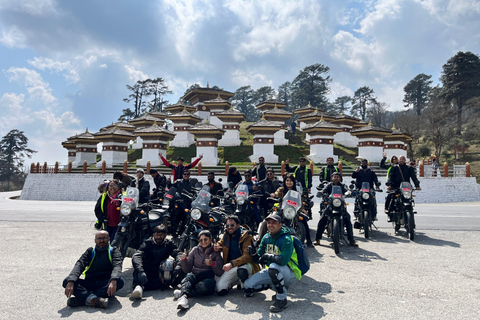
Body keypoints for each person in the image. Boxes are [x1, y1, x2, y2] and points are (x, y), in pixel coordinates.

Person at [244, 212, 301, 313]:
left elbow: (283, 261)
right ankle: (275, 285)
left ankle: (282, 299)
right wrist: (253, 254)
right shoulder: (266, 237)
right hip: (273, 271)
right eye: (269, 222)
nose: (271, 225)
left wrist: (267, 256)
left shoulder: (287, 239)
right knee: (248, 285)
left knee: (274, 266)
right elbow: (258, 259)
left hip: (290, 273)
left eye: (274, 222)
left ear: (280, 224)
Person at [62, 230, 124, 309]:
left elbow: (117, 266)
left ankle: (83, 299)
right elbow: (79, 265)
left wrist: (114, 279)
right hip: (89, 283)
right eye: (99, 238)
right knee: (66, 281)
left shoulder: (114, 251)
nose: (101, 240)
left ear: (108, 239)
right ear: (95, 240)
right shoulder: (90, 252)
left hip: (105, 285)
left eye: (104, 238)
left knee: (120, 281)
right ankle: (94, 300)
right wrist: (71, 280)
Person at [131, 225, 184, 299]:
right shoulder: (148, 243)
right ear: (153, 235)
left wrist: (179, 265)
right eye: (157, 235)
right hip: (147, 271)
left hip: (160, 272)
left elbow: (178, 253)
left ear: (165, 235)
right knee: (138, 267)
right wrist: (140, 271)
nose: (159, 237)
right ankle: (139, 287)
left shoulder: (169, 243)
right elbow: (137, 256)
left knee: (179, 265)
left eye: (161, 235)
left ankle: (169, 283)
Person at [174, 230, 224, 310]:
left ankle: (184, 290)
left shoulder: (215, 252)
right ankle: (184, 298)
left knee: (207, 285)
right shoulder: (195, 250)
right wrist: (183, 261)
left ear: (210, 239)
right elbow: (187, 269)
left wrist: (212, 264)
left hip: (207, 278)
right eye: (201, 240)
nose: (203, 242)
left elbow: (220, 273)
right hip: (195, 276)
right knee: (189, 276)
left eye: (206, 239)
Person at [214, 215, 260, 296]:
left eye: (232, 225)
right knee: (219, 289)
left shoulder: (247, 236)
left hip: (246, 265)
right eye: (227, 225)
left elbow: (247, 257)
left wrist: (231, 264)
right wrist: (217, 247)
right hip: (233, 266)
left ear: (238, 225)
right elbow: (220, 244)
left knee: (241, 271)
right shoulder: (226, 234)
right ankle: (236, 281)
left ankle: (247, 284)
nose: (229, 227)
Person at [314, 172, 358, 247]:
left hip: (340, 205)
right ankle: (317, 239)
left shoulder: (343, 186)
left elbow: (346, 190)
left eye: (337, 177)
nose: (336, 178)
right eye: (334, 177)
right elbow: (324, 190)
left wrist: (348, 193)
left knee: (347, 220)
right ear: (332, 178)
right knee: (322, 219)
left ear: (340, 178)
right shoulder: (329, 185)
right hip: (331, 205)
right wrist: (322, 193)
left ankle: (351, 240)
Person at [274, 174, 313, 247]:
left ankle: (309, 241)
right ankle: (268, 238)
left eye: (291, 181)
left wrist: (303, 209)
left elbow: (300, 202)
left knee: (304, 221)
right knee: (273, 219)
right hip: (283, 209)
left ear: (294, 182)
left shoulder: (296, 192)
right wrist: (274, 195)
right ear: (285, 182)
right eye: (287, 180)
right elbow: (276, 193)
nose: (289, 182)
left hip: (294, 210)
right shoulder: (281, 190)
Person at [386, 156, 421, 220]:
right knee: (392, 199)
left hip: (406, 188)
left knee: (409, 200)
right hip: (396, 187)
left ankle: (410, 214)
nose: (401, 160)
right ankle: (390, 214)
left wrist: (417, 185)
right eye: (400, 159)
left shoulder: (409, 168)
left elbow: (414, 177)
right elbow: (390, 177)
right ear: (398, 160)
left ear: (405, 160)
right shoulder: (394, 168)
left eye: (403, 159)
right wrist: (389, 185)